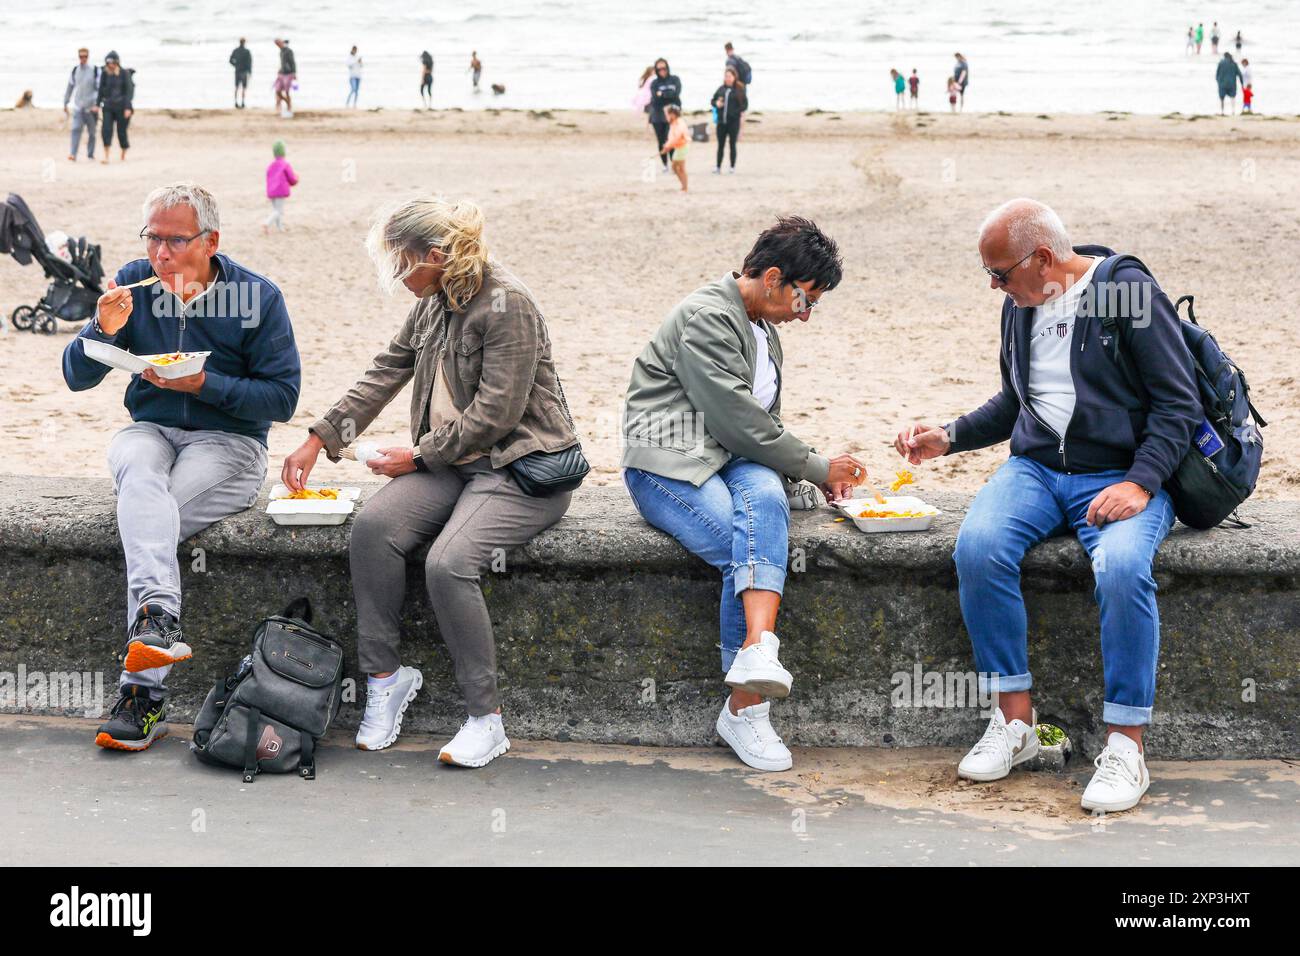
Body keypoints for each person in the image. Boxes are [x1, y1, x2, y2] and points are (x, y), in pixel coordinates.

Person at [894, 198, 1200, 813]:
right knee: (977, 547)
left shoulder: (1125, 293)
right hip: (1035, 469)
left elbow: (1179, 405)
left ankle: (1126, 747)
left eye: (1000, 273)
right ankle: (1017, 724)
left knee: (1119, 568)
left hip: (1120, 474)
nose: (994, 286)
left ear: (1042, 258)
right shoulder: (1021, 305)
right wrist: (949, 436)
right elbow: (1016, 402)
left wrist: (1141, 483)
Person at [281, 197, 582, 768]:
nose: (398, 278)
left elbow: (495, 415)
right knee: (373, 529)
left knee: (448, 564)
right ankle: (386, 679)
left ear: (438, 256)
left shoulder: (506, 305)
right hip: (454, 464)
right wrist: (321, 438)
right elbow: (386, 370)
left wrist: (416, 456)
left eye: (403, 265)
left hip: (518, 467)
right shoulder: (434, 300)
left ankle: (486, 721)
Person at [62, 182, 302, 752]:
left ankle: (142, 695)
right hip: (150, 430)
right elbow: (74, 375)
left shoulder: (257, 297)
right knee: (139, 471)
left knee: (149, 514)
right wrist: (103, 331)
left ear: (210, 241)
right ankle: (158, 623)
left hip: (230, 446)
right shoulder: (131, 285)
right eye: (152, 239)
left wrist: (204, 384)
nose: (160, 255)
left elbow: (282, 398)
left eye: (174, 241)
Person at [622, 216, 866, 772]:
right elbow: (738, 421)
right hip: (671, 466)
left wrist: (798, 476)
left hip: (733, 459)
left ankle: (756, 654)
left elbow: (754, 424)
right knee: (747, 544)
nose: (805, 316)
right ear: (774, 277)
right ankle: (747, 710)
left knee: (768, 509)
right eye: (806, 301)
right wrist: (820, 466)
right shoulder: (708, 317)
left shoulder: (760, 324)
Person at [97, 51, 133, 164]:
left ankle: (123, 154)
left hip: (122, 107)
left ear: (117, 62)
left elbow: (128, 92)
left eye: (112, 62)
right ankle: (106, 156)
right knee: (106, 130)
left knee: (121, 131)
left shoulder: (124, 73)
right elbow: (100, 91)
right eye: (108, 62)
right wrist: (97, 105)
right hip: (108, 106)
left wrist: (128, 108)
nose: (110, 64)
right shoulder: (105, 73)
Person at [64, 47, 99, 162]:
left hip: (91, 107)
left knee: (92, 133)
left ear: (88, 57)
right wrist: (65, 102)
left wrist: (97, 104)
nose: (83, 58)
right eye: (81, 56)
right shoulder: (75, 71)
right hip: (78, 106)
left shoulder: (95, 70)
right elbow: (70, 87)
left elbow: (99, 89)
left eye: (85, 56)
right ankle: (73, 154)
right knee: (75, 129)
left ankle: (90, 154)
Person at [712, 65, 747, 174]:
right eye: (726, 76)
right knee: (720, 145)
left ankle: (732, 167)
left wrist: (735, 113)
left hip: (733, 122)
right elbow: (713, 100)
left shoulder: (739, 89)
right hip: (721, 122)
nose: (727, 78)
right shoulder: (721, 89)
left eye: (730, 76)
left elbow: (744, 105)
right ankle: (718, 167)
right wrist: (716, 104)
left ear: (734, 77)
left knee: (732, 144)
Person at [648, 58, 681, 170]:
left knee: (671, 139)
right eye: (659, 68)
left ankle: (673, 162)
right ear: (656, 70)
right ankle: (665, 164)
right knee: (661, 140)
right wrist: (667, 95)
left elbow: (676, 94)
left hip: (672, 114)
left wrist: (662, 94)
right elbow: (655, 98)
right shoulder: (654, 83)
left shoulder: (675, 79)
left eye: (664, 68)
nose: (662, 70)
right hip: (657, 114)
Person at [264, 141, 298, 233]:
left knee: (276, 210)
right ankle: (267, 223)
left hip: (271, 192)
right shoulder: (285, 164)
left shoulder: (271, 165)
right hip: (280, 192)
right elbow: (292, 178)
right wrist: (296, 179)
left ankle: (280, 227)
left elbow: (268, 177)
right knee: (279, 211)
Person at [661, 104, 690, 192]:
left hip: (682, 146)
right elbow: (672, 137)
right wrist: (668, 145)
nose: (666, 116)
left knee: (680, 167)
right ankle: (683, 186)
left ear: (673, 114)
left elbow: (677, 137)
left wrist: (668, 146)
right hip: (679, 147)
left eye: (667, 114)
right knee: (676, 167)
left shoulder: (679, 123)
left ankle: (684, 188)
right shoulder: (674, 122)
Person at [274, 39, 296, 118]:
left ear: (281, 43)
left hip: (288, 73)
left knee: (287, 92)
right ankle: (287, 103)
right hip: (281, 73)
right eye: (276, 44)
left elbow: (292, 62)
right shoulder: (281, 51)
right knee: (277, 91)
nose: (277, 45)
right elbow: (282, 63)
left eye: (278, 43)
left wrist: (294, 73)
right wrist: (280, 70)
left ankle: (289, 106)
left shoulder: (289, 51)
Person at [1217, 51, 1243, 115]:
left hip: (1222, 84)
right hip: (1232, 84)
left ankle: (1222, 111)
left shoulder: (1221, 63)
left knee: (1222, 98)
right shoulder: (1233, 63)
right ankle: (1233, 111)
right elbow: (1239, 74)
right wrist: (1242, 83)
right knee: (1232, 97)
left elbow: (1217, 74)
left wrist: (1218, 82)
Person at [229, 37, 251, 109]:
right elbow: (249, 63)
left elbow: (230, 60)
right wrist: (249, 71)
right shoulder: (247, 51)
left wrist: (235, 65)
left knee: (236, 87)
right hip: (244, 71)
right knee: (243, 88)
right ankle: (242, 103)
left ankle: (235, 102)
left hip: (237, 71)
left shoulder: (236, 51)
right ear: (244, 42)